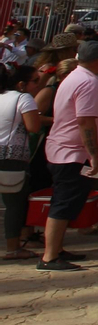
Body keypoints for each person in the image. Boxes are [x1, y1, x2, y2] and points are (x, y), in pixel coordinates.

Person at [36, 40, 98, 271]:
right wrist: (93, 154)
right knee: (64, 203)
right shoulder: (88, 83)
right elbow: (85, 119)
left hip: (65, 150)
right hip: (74, 153)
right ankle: (50, 256)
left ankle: (56, 249)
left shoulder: (75, 77)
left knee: (66, 202)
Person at [1, 64, 44, 260]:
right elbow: (33, 126)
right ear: (21, 83)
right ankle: (13, 248)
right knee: (14, 205)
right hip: (12, 157)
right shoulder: (23, 98)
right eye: (36, 80)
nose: (39, 84)